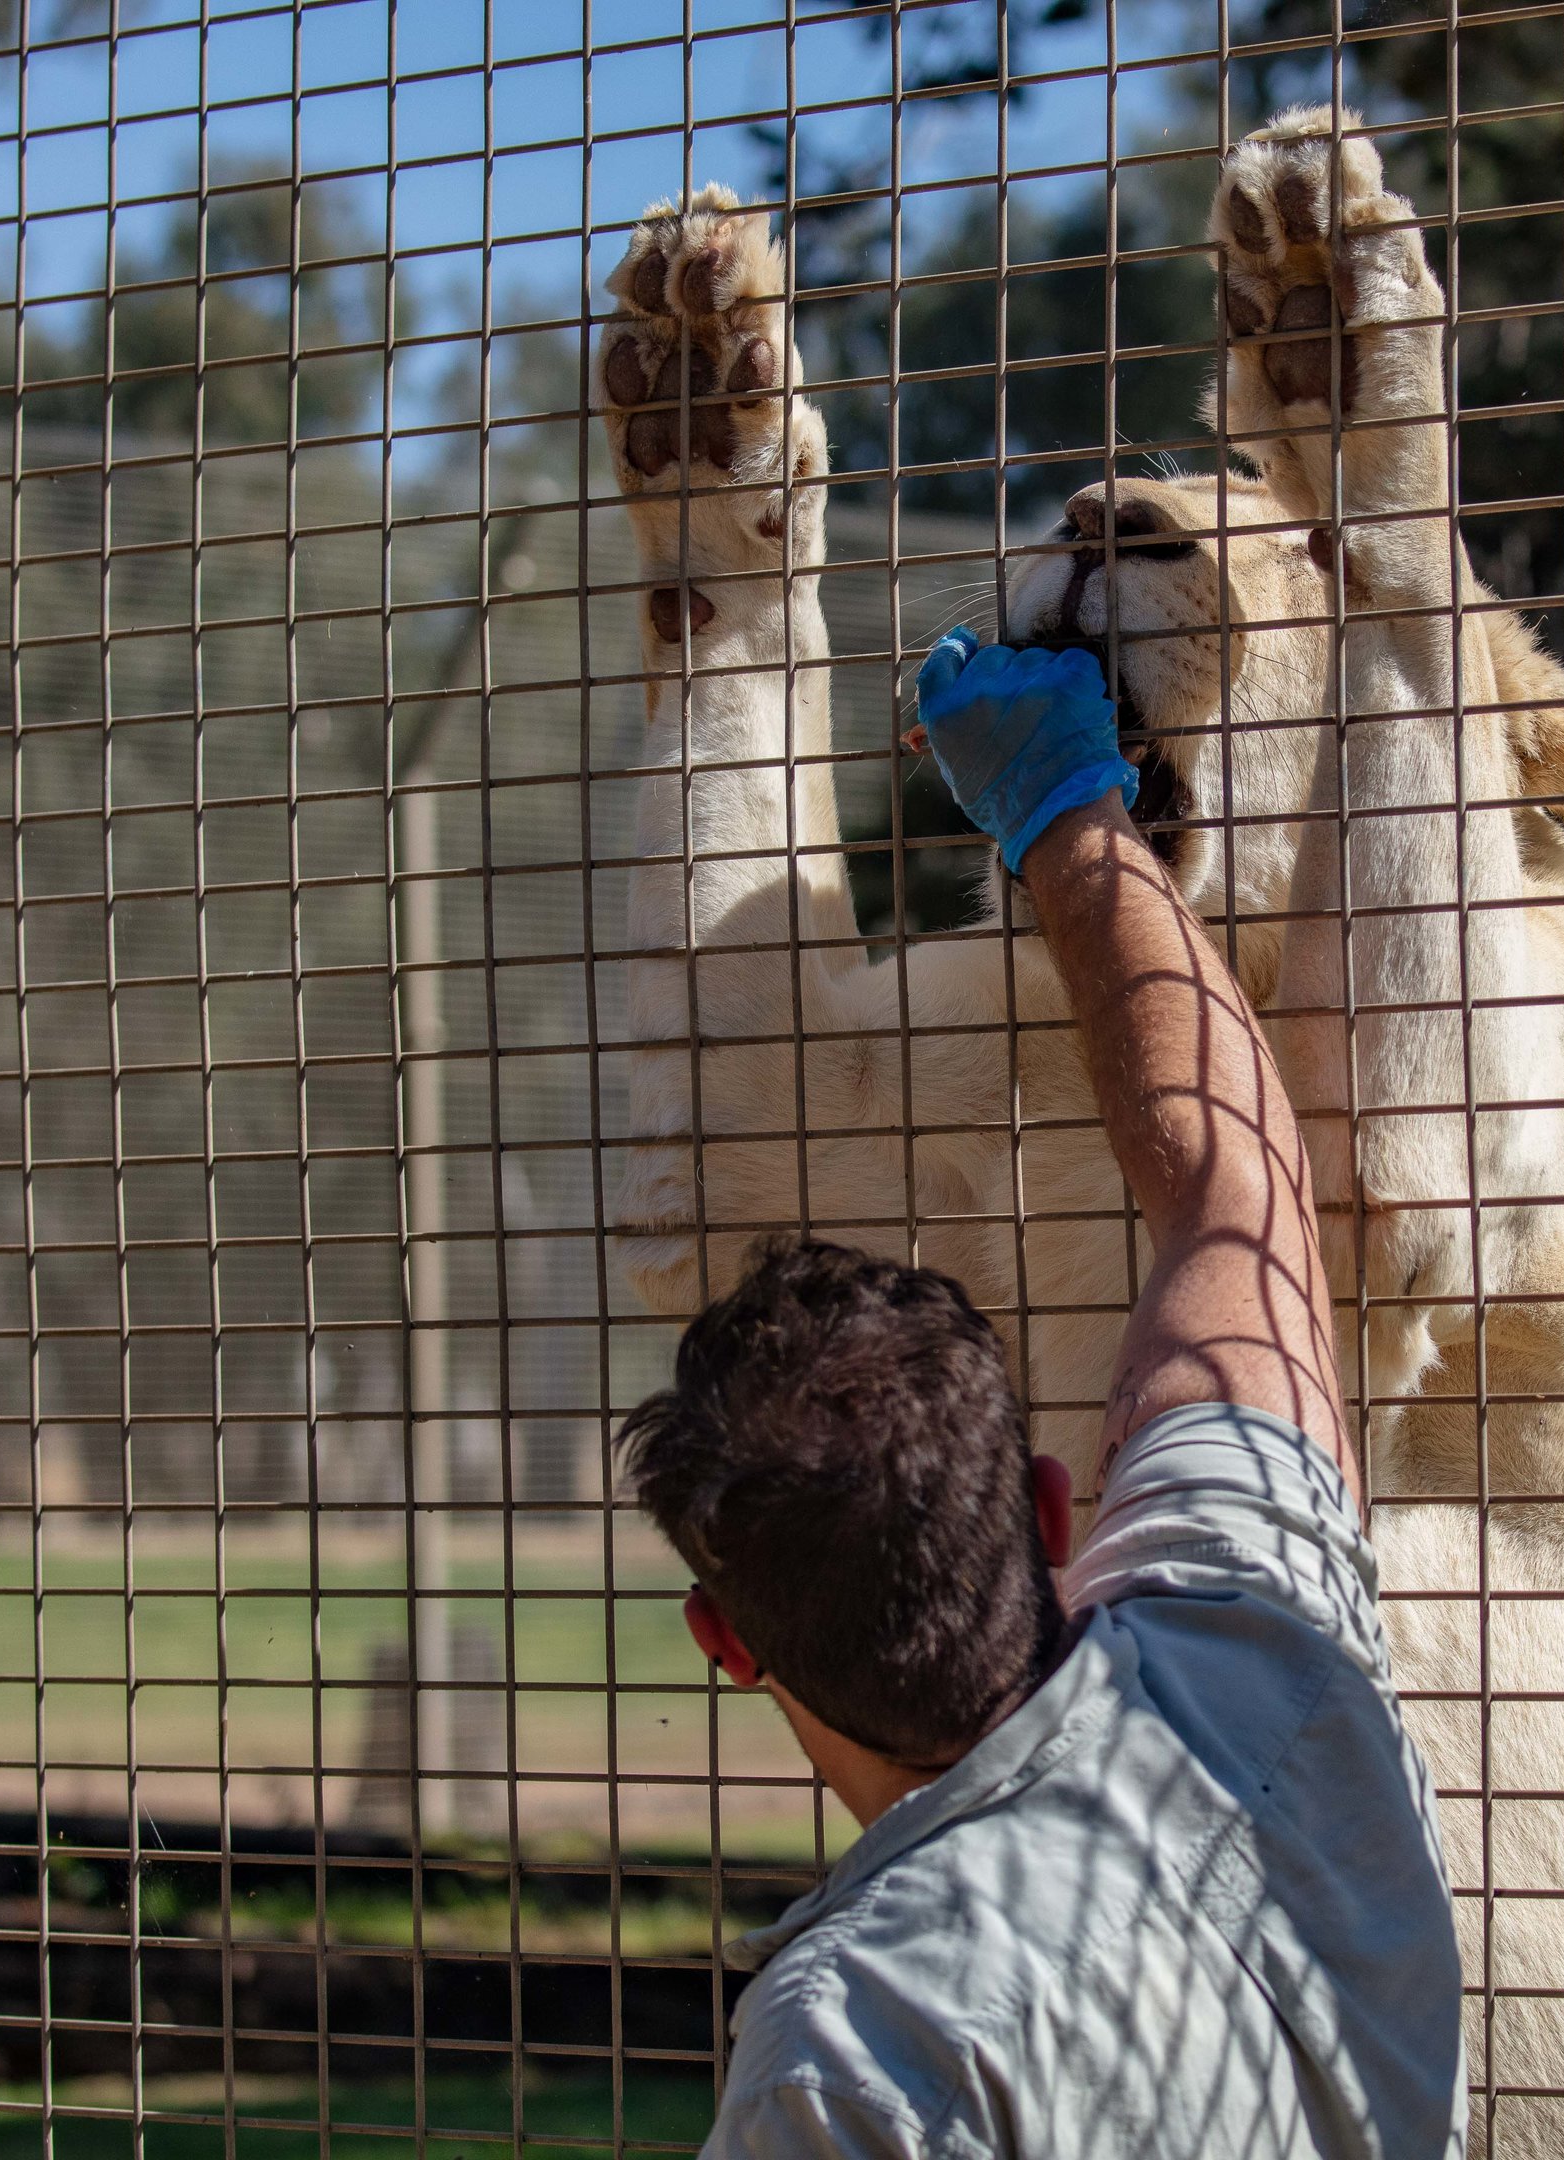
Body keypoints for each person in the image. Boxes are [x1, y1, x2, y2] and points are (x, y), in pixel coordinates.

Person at [616, 631, 1467, 2157]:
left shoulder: (861, 2046)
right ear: (1050, 1504)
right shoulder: (1257, 1657)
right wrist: (1069, 805)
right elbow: (1235, 1197)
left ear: (726, 1643)